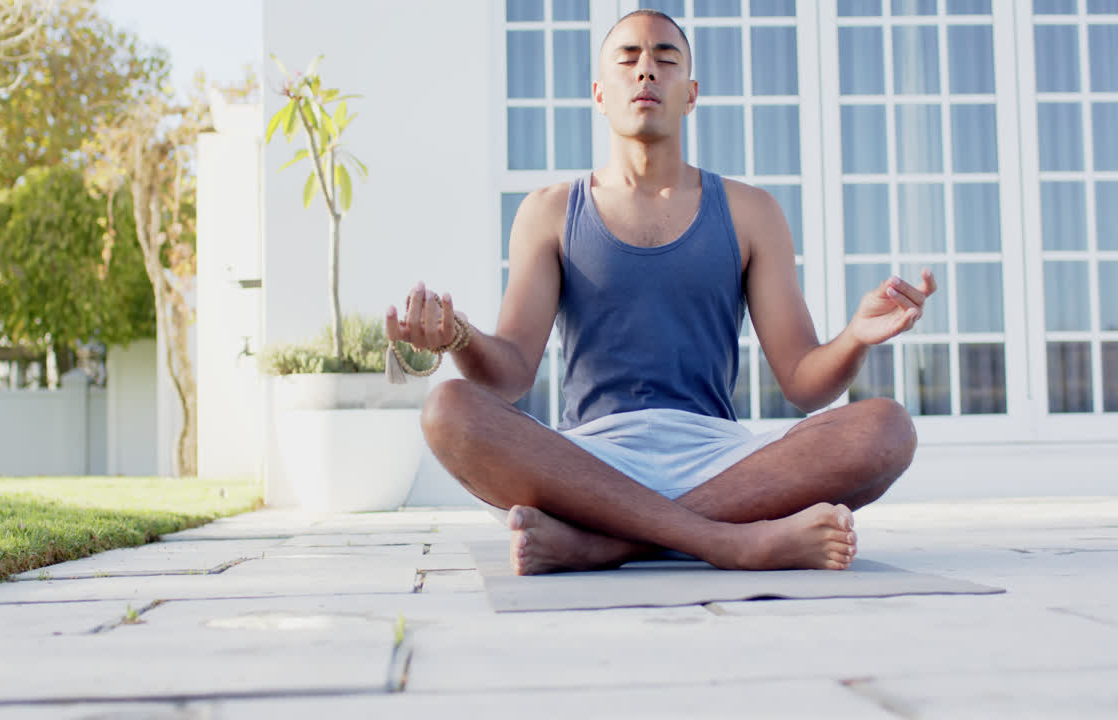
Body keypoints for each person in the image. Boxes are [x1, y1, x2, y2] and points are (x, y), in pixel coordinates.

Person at [385, 9, 936, 576]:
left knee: (887, 428)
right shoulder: (547, 212)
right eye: (628, 59)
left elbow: (803, 383)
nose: (646, 71)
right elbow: (510, 376)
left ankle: (602, 547)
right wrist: (458, 336)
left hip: (721, 460)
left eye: (665, 59)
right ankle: (730, 543)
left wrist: (855, 337)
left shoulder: (752, 212)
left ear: (690, 94)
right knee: (447, 410)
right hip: (588, 465)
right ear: (600, 95)